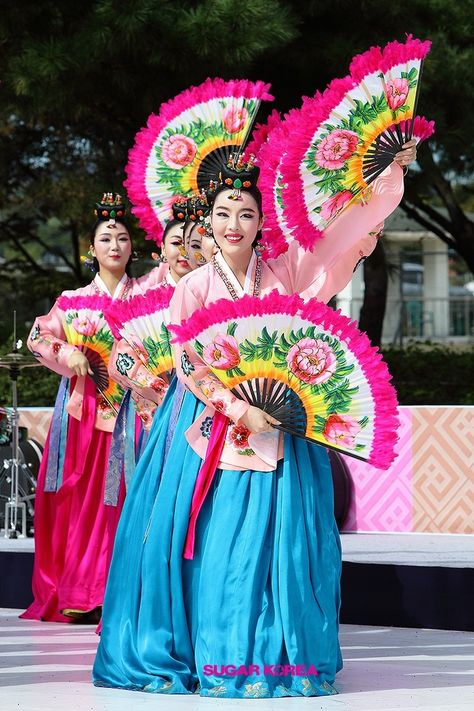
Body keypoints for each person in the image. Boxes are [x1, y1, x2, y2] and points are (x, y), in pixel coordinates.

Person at [93, 140, 416, 697]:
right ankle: (223, 658)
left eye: (245, 212)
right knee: (222, 543)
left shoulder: (285, 270)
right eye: (221, 214)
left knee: (288, 545)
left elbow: (341, 236)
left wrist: (384, 176)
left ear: (263, 219)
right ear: (207, 224)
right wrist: (239, 406)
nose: (233, 224)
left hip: (285, 436)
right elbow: (188, 365)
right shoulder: (193, 288)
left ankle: (284, 656)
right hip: (211, 430)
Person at [20, 194, 170, 623]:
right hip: (83, 418)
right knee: (81, 506)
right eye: (106, 239)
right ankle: (81, 589)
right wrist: (69, 354)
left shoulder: (148, 294)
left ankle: (119, 591)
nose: (116, 246)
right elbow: (38, 338)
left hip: (134, 416)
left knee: (126, 501)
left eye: (123, 238)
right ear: (92, 249)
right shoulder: (72, 300)